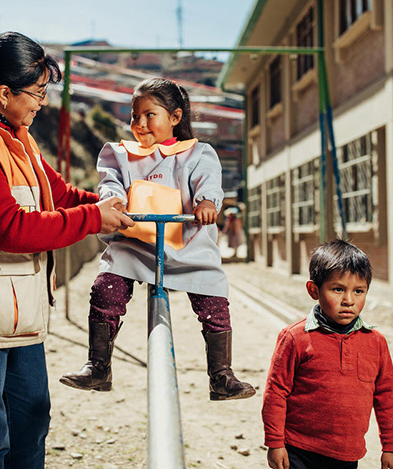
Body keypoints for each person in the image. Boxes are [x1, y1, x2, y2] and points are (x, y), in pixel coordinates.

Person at [0, 31, 132, 469]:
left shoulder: (14, 132)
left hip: (15, 316)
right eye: (37, 92)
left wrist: (111, 207)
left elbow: (57, 193)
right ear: (3, 92)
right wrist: (95, 220)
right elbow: (9, 229)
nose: (42, 103)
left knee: (31, 422)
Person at [60, 77, 255, 401]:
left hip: (186, 244)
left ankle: (221, 375)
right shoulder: (121, 154)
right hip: (134, 242)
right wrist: (115, 199)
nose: (140, 123)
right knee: (106, 289)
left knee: (213, 298)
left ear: (175, 117)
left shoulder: (197, 153)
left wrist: (206, 203)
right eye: (135, 116)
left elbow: (209, 184)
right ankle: (98, 365)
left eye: (150, 115)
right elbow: (111, 184)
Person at [262, 239, 393, 469]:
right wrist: (275, 442)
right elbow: (275, 392)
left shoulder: (375, 342)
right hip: (299, 450)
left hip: (347, 456)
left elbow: (387, 398)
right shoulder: (295, 338)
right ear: (313, 290)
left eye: (359, 291)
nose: (349, 301)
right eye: (338, 289)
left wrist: (391, 447)